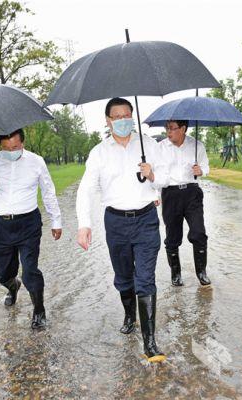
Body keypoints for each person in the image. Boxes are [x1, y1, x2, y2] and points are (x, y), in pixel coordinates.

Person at [76, 97, 169, 363]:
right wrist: (84, 224)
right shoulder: (99, 153)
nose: (122, 120)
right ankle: (130, 313)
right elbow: (86, 189)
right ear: (108, 121)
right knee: (124, 277)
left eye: (127, 115)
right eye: (116, 117)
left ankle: (150, 342)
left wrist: (152, 174)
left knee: (146, 277)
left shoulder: (150, 145)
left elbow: (166, 180)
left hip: (146, 219)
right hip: (115, 222)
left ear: (133, 116)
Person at [0, 129, 62, 328]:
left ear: (22, 144)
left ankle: (39, 311)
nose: (10, 151)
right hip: (1, 224)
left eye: (14, 147)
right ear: (0, 146)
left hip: (28, 223)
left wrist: (56, 221)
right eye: (6, 148)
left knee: (30, 270)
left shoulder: (36, 161)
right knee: (3, 273)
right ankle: (12, 286)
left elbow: (48, 191)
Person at [159, 120, 211, 287]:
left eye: (172, 128)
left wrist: (201, 171)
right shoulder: (160, 148)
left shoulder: (197, 145)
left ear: (183, 129)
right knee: (172, 237)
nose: (169, 132)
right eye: (167, 128)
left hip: (192, 193)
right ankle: (176, 274)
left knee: (199, 233)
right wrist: (154, 194)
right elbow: (156, 173)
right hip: (170, 194)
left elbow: (206, 167)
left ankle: (201, 272)